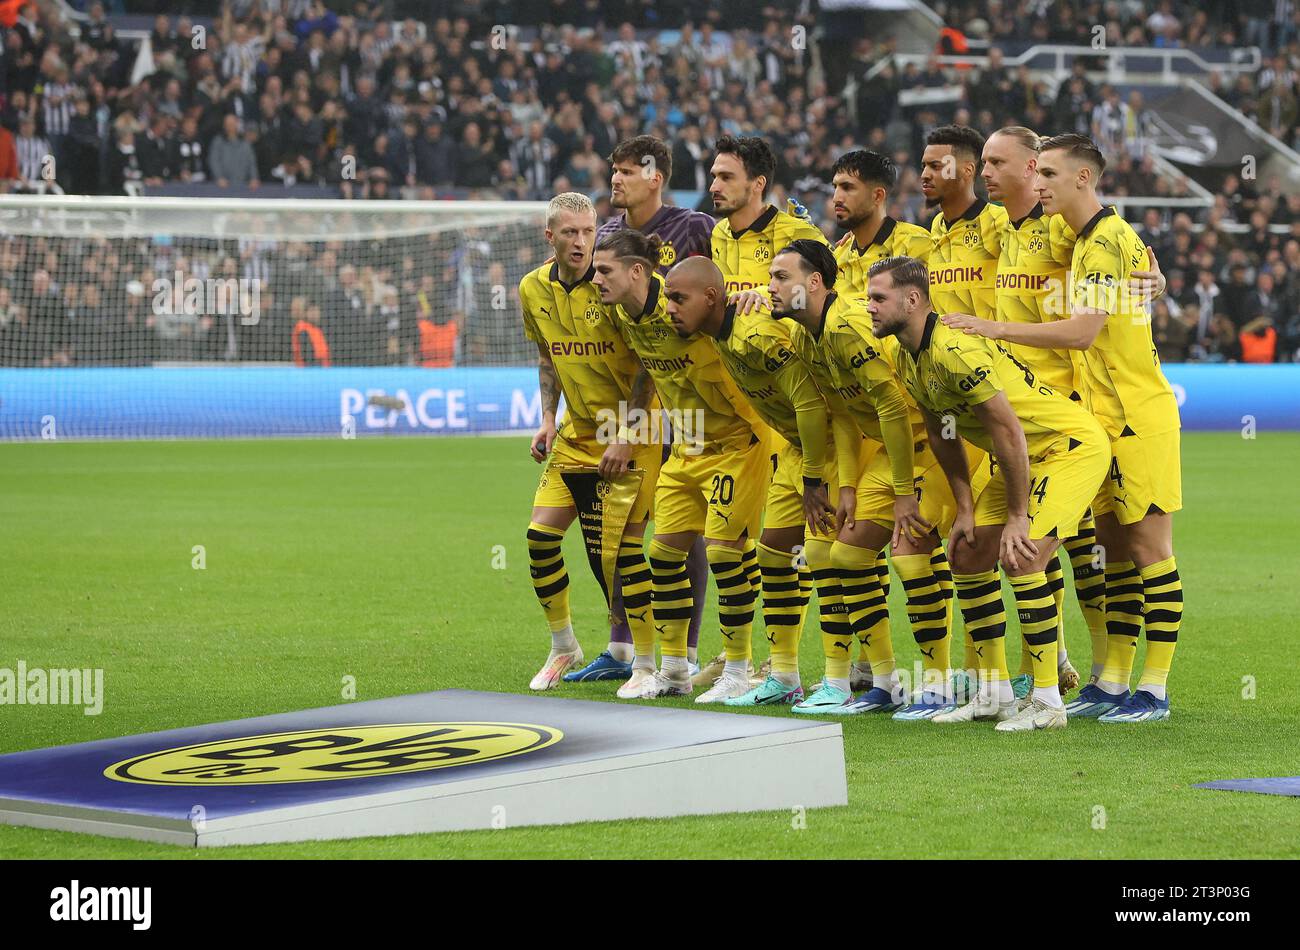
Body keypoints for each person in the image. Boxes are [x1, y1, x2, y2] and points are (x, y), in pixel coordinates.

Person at [945, 133, 1184, 723]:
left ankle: (1153, 689)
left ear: (1081, 177)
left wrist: (993, 331)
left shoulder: (1102, 240)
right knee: (1114, 551)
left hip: (1138, 414)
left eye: (1047, 172)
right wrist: (1155, 280)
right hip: (1098, 415)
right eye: (1036, 172)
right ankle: (1111, 680)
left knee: (1149, 550)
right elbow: (1135, 277)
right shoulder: (1079, 241)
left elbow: (1082, 332)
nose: (1038, 181)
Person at [870, 256, 1110, 731]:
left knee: (1021, 557)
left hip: (1067, 449)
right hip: (1020, 456)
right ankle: (994, 691)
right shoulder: (905, 354)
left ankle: (1046, 700)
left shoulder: (956, 350)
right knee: (966, 552)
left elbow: (1009, 432)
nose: (870, 307)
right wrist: (963, 506)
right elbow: (943, 431)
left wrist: (1017, 515)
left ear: (912, 300)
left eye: (878, 298)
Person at [593, 228, 772, 700]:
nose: (595, 280)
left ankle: (738, 670)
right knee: (664, 555)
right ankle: (672, 671)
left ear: (637, 273)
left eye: (603, 270)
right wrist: (631, 433)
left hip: (739, 444)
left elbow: (725, 295)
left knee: (722, 553)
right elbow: (648, 375)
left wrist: (759, 294)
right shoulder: (628, 318)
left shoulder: (691, 303)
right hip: (686, 445)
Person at [563, 134, 716, 684]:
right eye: (614, 170)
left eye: (627, 171)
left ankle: (687, 650)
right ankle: (623, 646)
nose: (615, 179)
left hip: (681, 399)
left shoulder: (694, 228)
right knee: (617, 526)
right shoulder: (606, 236)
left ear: (655, 176)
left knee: (684, 526)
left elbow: (713, 299)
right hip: (623, 398)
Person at [663, 253, 840, 707]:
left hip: (832, 447)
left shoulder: (755, 334)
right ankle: (784, 676)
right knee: (775, 555)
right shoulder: (721, 330)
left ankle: (849, 678)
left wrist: (815, 478)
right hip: (795, 449)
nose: (670, 308)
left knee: (836, 558)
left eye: (678, 298)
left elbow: (810, 403)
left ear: (710, 298)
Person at [519, 193, 662, 693]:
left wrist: (625, 435)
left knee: (622, 551)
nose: (581, 242)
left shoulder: (612, 287)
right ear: (550, 237)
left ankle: (645, 662)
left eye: (588, 232)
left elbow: (649, 365)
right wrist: (546, 419)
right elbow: (548, 357)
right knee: (539, 539)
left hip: (634, 432)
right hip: (577, 434)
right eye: (570, 233)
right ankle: (563, 646)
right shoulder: (532, 289)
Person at [709, 133, 828, 688]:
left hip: (796, 405)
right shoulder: (715, 235)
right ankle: (757, 664)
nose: (714, 186)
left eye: (725, 177)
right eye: (712, 176)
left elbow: (827, 296)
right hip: (743, 408)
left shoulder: (796, 234)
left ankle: (841, 669)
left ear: (758, 184)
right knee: (762, 547)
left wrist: (775, 303)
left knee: (813, 544)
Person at [826, 147, 944, 694]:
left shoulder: (921, 246)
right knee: (848, 550)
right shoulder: (841, 255)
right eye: (833, 188)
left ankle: (964, 673)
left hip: (932, 420)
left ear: (878, 195)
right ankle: (879, 672)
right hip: (870, 427)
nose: (836, 199)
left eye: (847, 188)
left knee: (943, 553)